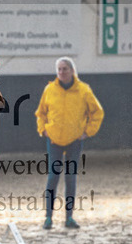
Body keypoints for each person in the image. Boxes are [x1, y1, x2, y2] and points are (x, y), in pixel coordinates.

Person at [34, 57, 104, 230]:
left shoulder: (83, 90)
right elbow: (40, 113)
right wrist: (43, 130)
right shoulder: (49, 89)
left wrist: (87, 132)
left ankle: (69, 218)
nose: (61, 72)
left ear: (72, 71)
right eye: (59, 69)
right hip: (54, 140)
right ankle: (48, 218)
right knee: (53, 177)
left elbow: (97, 112)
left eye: (65, 69)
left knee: (70, 178)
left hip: (74, 141)